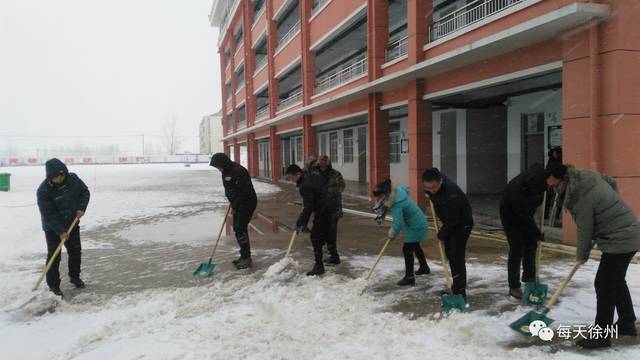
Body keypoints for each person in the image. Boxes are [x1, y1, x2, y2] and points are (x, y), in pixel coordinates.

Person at [547, 163, 640, 349]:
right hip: (628, 232)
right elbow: (610, 181)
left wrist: (581, 255)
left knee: (604, 284)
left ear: (565, 180)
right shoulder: (585, 176)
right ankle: (627, 322)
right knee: (615, 280)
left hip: (620, 238)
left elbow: (585, 229)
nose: (554, 190)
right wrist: (610, 205)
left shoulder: (579, 197)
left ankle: (602, 336)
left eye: (555, 186)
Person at [37, 158, 90, 297]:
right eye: (56, 177)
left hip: (72, 222)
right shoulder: (43, 191)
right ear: (50, 177)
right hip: (53, 228)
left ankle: (75, 277)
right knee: (54, 256)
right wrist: (60, 231)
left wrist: (81, 208)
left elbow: (84, 192)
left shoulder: (72, 179)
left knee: (75, 251)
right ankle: (53, 285)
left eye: (61, 175)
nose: (60, 179)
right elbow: (48, 214)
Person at [422, 168, 473, 300]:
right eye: (427, 187)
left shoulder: (452, 194)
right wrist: (430, 194)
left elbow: (453, 221)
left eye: (433, 187)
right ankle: (456, 286)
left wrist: (441, 234)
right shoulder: (434, 185)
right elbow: (431, 192)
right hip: (450, 223)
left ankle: (460, 292)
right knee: (450, 254)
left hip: (462, 225)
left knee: (457, 257)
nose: (431, 190)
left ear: (440, 182)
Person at [500, 163, 548, 299]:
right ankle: (514, 286)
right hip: (510, 215)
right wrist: (536, 232)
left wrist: (534, 234)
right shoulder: (517, 192)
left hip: (526, 211)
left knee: (531, 244)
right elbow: (524, 217)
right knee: (517, 248)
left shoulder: (539, 178)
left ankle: (529, 279)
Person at [372, 179, 430, 286]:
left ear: (385, 194)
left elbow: (398, 224)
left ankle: (409, 277)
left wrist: (391, 234)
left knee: (407, 248)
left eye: (379, 197)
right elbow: (406, 189)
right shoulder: (397, 191)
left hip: (415, 225)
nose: (378, 199)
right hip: (416, 220)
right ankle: (424, 267)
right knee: (415, 245)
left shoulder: (396, 203)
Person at [210, 153, 257, 269]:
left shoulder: (239, 171)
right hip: (237, 203)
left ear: (224, 163)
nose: (218, 169)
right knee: (238, 229)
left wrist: (235, 204)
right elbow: (230, 188)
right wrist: (232, 202)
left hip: (246, 203)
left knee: (240, 229)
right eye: (216, 167)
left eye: (218, 166)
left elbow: (244, 191)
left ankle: (247, 258)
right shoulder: (225, 171)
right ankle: (244, 256)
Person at [285, 164, 332, 276]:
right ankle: (330, 257)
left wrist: (300, 223)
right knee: (321, 235)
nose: (291, 180)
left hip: (324, 209)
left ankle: (319, 266)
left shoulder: (304, 186)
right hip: (328, 205)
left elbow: (308, 207)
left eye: (292, 177)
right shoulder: (309, 176)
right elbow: (309, 203)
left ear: (298, 174)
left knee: (315, 236)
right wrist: (303, 223)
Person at [316, 155, 345, 265]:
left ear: (328, 164)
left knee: (331, 233)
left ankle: (334, 257)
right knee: (322, 233)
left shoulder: (335, 174)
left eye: (324, 164)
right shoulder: (316, 174)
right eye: (320, 164)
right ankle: (330, 255)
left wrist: (328, 192)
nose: (322, 166)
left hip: (333, 209)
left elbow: (341, 187)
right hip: (321, 209)